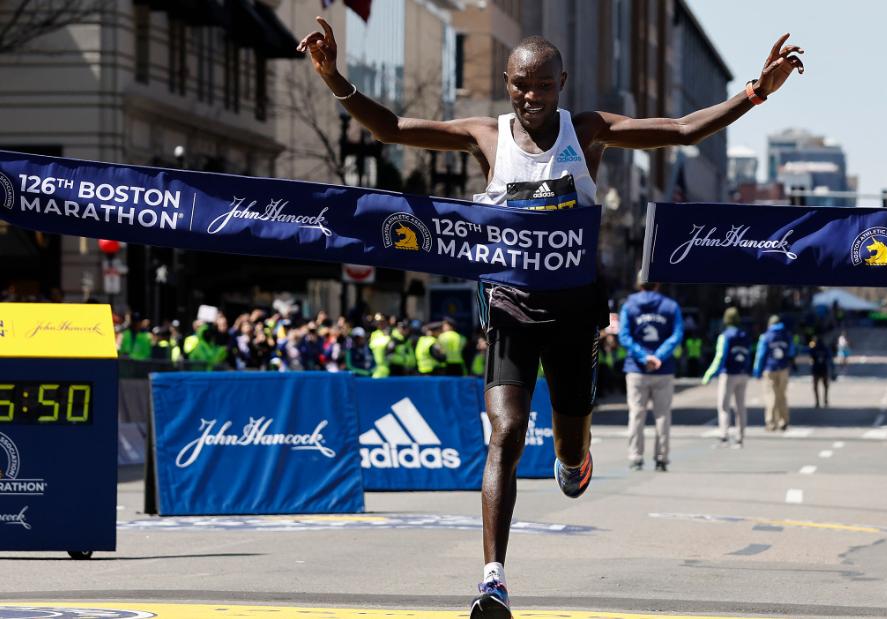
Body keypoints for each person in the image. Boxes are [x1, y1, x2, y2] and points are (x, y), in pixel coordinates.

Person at [297, 18, 804, 618]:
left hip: (573, 313)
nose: (528, 98)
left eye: (540, 87)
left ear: (561, 83)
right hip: (510, 307)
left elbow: (682, 130)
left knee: (567, 440)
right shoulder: (487, 136)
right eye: (517, 86)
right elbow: (394, 128)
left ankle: (575, 458)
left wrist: (756, 92)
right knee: (506, 436)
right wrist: (334, 78)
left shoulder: (586, 132)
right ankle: (493, 580)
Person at [619, 275, 683, 471]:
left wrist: (643, 357)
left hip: (636, 369)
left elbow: (624, 336)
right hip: (663, 369)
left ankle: (635, 457)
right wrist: (659, 356)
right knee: (662, 414)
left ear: (638, 283)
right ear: (657, 283)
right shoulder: (670, 306)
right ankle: (662, 457)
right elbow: (677, 334)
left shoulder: (629, 305)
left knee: (636, 414)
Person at [702, 307, 752, 447]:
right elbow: (749, 354)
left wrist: (709, 374)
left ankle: (724, 435)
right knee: (740, 407)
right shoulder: (745, 335)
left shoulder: (725, 336)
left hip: (728, 374)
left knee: (724, 406)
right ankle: (740, 437)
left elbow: (720, 356)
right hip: (743, 373)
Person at [754, 315, 794, 432]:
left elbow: (760, 355)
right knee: (782, 395)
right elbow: (791, 352)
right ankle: (784, 421)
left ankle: (771, 422)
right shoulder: (786, 335)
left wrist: (757, 372)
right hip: (784, 368)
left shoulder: (766, 336)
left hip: (769, 369)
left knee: (770, 395)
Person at [807, 334, 835, 409]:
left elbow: (810, 357)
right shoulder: (825, 348)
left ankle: (818, 402)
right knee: (825, 386)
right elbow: (830, 359)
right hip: (823, 369)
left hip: (817, 369)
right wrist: (832, 370)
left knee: (816, 387)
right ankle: (824, 400)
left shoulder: (814, 348)